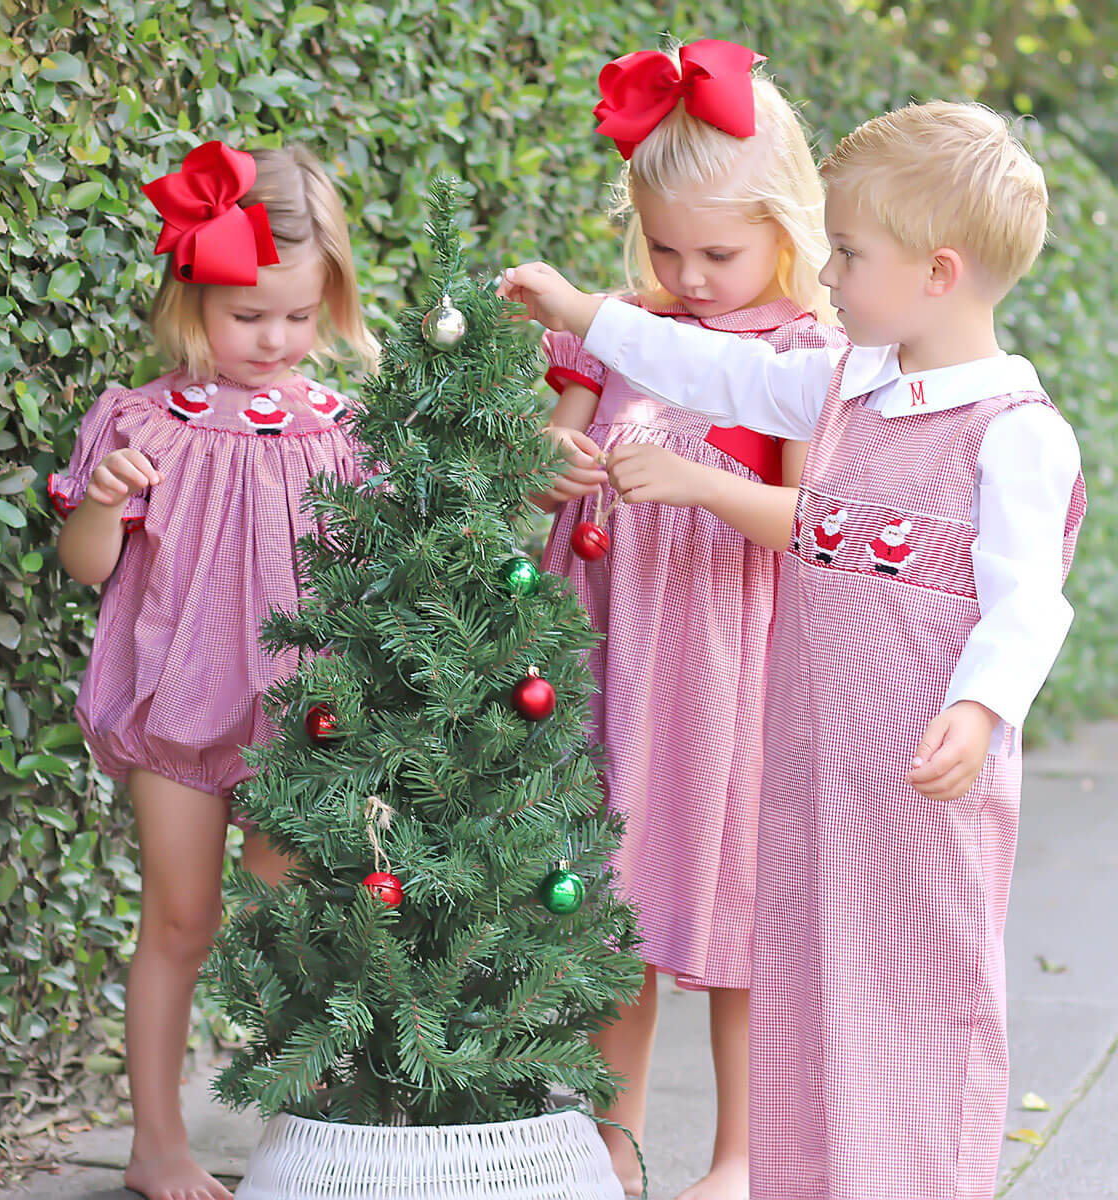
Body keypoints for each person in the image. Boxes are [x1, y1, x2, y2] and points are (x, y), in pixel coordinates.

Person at [501, 100, 1086, 1200]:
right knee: (808, 995)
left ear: (937, 273)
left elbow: (1027, 604)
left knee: (911, 1002)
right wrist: (586, 311)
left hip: (922, 784)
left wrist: (982, 707)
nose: (830, 275)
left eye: (851, 256)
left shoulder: (1015, 431)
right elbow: (709, 370)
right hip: (814, 776)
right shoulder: (851, 384)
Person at [528, 40, 845, 1200]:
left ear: (789, 229)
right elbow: (548, 446)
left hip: (730, 669)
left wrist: (706, 486)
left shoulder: (807, 352)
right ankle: (613, 1141)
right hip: (609, 653)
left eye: (720, 250)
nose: (692, 275)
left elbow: (815, 519)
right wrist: (553, 462)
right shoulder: (616, 326)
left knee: (739, 911)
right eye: (665, 247)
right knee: (615, 904)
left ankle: (741, 1155)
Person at [49, 141, 375, 1200]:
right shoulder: (143, 423)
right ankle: (157, 1144)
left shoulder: (343, 431)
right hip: (175, 717)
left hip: (301, 723)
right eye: (248, 318)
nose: (274, 339)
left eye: (296, 314)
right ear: (192, 300)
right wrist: (101, 499)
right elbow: (87, 568)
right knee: (180, 921)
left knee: (294, 927)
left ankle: (306, 1138)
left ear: (330, 301)